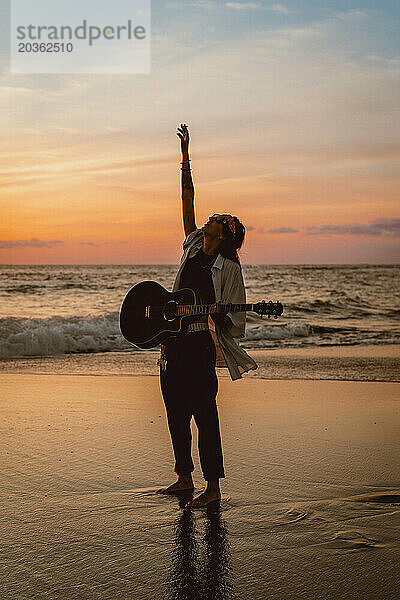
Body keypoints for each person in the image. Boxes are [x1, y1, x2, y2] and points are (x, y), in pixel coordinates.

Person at [156, 123, 257, 509]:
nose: (207, 217)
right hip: (172, 341)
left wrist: (218, 314)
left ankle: (212, 487)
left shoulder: (228, 268)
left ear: (225, 232)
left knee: (204, 415)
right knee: (174, 410)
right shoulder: (194, 243)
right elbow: (187, 199)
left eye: (216, 217)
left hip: (199, 344)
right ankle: (184, 477)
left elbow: (234, 320)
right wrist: (185, 159)